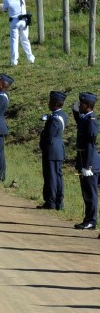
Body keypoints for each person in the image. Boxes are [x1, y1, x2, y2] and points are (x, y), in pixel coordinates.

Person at [73, 92, 99, 230]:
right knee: (86, 192)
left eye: (81, 103)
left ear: (88, 106)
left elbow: (90, 144)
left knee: (90, 193)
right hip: (83, 159)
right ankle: (88, 219)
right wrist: (75, 111)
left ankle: (91, 221)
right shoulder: (85, 118)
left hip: (89, 162)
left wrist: (88, 166)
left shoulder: (91, 120)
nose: (80, 105)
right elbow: (79, 121)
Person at [37, 91, 67, 211]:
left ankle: (51, 201)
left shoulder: (54, 119)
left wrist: (42, 144)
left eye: (50, 101)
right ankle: (58, 201)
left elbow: (48, 136)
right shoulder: (62, 115)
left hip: (51, 151)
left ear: (54, 103)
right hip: (58, 149)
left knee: (51, 177)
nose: (48, 103)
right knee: (58, 176)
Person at [0, 0, 35, 66]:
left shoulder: (7, 0)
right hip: (24, 21)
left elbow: (4, 9)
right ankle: (31, 58)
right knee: (25, 39)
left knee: (14, 41)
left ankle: (14, 61)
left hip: (14, 21)